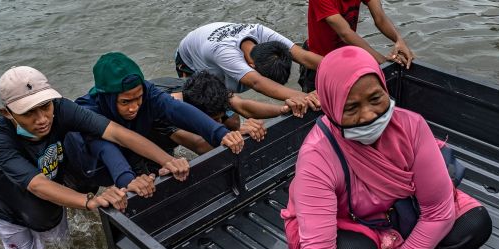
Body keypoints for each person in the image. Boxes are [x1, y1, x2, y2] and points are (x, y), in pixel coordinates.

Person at [280, 46, 492, 249]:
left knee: (473, 224)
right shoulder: (316, 157)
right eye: (351, 107)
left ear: (384, 87)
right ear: (331, 106)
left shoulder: (411, 127)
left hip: (394, 216)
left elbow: (438, 210)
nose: (368, 115)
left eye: (375, 99)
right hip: (347, 227)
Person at [0, 66, 190, 249]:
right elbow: (37, 185)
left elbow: (117, 133)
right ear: (7, 113)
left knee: (58, 246)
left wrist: (167, 161)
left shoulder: (62, 108)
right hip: (5, 197)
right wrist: (89, 202)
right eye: (29, 113)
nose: (42, 119)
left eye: (45, 106)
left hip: (47, 178)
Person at [63, 52, 247, 192]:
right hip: (86, 166)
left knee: (153, 181)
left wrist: (221, 134)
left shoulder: (147, 91)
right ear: (107, 98)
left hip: (132, 150)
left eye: (138, 98)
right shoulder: (86, 112)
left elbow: (176, 109)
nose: (134, 107)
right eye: (125, 102)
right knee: (87, 198)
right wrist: (128, 181)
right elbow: (104, 148)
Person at [175, 22, 321, 107]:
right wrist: (307, 97)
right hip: (190, 62)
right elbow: (257, 82)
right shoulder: (226, 54)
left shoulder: (261, 32)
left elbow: (304, 56)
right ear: (252, 66)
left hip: (211, 40)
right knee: (219, 112)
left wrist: (341, 66)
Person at [166, 71, 311, 154]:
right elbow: (199, 145)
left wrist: (283, 109)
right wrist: (237, 134)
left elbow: (242, 106)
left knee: (233, 121)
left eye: (219, 118)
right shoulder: (169, 111)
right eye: (213, 120)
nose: (218, 123)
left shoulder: (206, 89)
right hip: (149, 133)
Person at [299, 0, 416, 92]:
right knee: (317, 106)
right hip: (318, 60)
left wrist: (399, 40)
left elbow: (380, 17)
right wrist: (382, 61)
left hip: (346, 58)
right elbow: (345, 33)